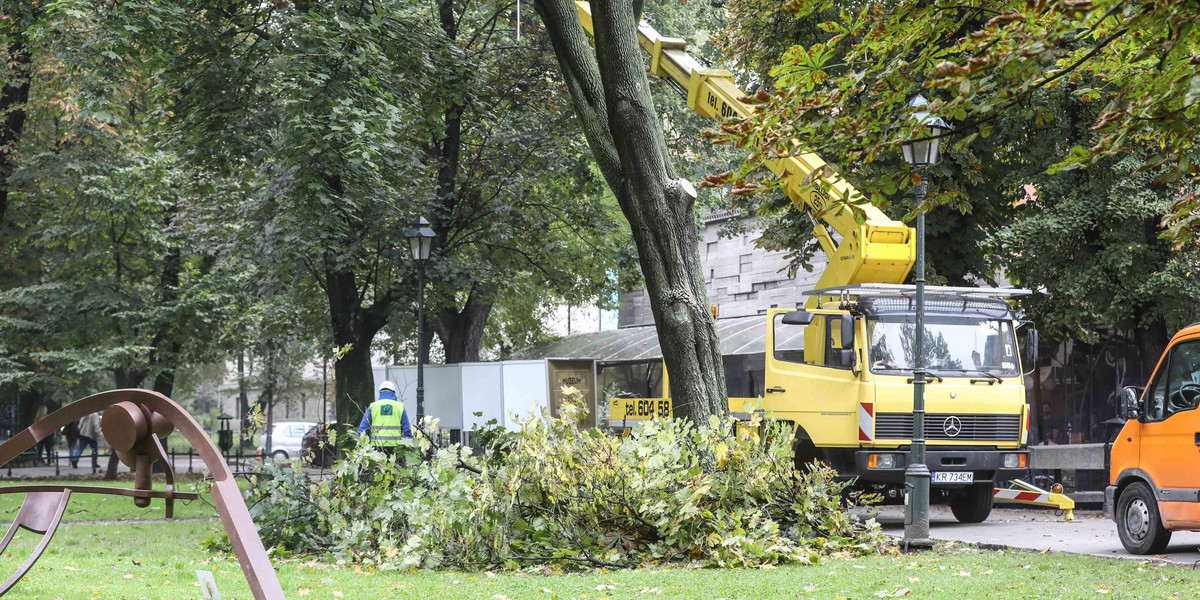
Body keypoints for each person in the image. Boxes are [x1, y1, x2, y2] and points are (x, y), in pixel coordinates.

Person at [357, 380, 412, 450]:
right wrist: (410, 443)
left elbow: (363, 427)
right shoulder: (400, 407)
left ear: (380, 392)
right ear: (393, 392)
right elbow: (406, 429)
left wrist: (357, 441)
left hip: (376, 448)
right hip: (395, 448)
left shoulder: (373, 406)